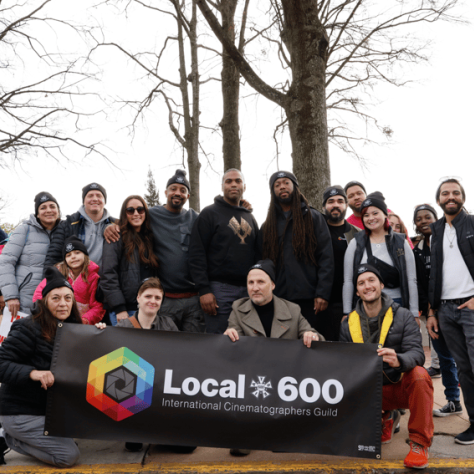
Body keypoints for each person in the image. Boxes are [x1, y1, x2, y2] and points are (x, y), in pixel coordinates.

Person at [224, 260, 324, 456]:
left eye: (260, 282)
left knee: (282, 446)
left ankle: (281, 429)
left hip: (284, 383)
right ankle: (247, 430)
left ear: (273, 285)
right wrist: (228, 335)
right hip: (253, 382)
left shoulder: (292, 310)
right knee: (239, 449)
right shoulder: (238, 307)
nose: (255, 288)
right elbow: (232, 334)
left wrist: (312, 336)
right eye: (250, 283)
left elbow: (316, 335)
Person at [340, 264, 433, 469]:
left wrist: (399, 359)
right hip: (366, 390)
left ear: (381, 284)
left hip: (396, 386)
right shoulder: (347, 324)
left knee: (419, 375)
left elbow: (417, 354)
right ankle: (386, 416)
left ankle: (419, 443)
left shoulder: (403, 316)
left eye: (371, 280)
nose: (367, 286)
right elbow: (344, 364)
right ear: (357, 291)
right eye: (361, 283)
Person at [96, 277, 195, 455]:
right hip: (133, 393)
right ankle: (137, 429)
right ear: (138, 298)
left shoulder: (168, 324)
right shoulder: (124, 326)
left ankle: (159, 433)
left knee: (188, 447)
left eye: (157, 298)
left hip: (161, 391)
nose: (153, 301)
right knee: (133, 445)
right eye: (148, 296)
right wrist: (101, 333)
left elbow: (181, 355)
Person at [104, 171, 205, 333]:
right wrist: (110, 226)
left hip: (191, 298)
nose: (177, 193)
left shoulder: (195, 217)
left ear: (188, 195)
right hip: (162, 300)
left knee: (190, 348)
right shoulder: (152, 214)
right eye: (173, 189)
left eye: (182, 190)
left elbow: (215, 222)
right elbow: (131, 218)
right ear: (165, 192)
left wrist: (238, 206)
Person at [0, 267, 82, 467]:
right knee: (68, 456)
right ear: (45, 301)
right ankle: (12, 438)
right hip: (20, 411)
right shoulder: (27, 327)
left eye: (67, 298)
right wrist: (33, 373)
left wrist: (100, 334)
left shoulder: (73, 330)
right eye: (55, 298)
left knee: (82, 431)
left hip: (48, 409)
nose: (62, 303)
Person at [427, 178, 474, 444]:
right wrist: (432, 312)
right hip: (445, 310)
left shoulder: (472, 223)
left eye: (456, 192)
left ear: (463, 197)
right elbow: (434, 275)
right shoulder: (436, 231)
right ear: (439, 200)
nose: (451, 196)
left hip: (470, 306)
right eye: (445, 193)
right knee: (464, 370)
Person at [259, 171, 334, 330]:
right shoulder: (268, 226)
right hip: (278, 298)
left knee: (310, 344)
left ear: (295, 186)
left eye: (286, 182)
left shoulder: (313, 217)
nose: (282, 187)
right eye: (277, 185)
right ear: (273, 192)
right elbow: (262, 263)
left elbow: (326, 257)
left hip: (309, 298)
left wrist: (322, 293)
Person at [189, 169, 259, 334]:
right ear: (222, 186)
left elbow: (258, 253)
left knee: (246, 338)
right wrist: (204, 289)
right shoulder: (209, 214)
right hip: (219, 291)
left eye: (238, 181)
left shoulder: (250, 217)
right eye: (228, 181)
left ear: (244, 186)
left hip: (248, 290)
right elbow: (196, 253)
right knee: (219, 340)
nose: (233, 184)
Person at [412, 204, 461, 416]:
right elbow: (420, 284)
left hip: (459, 307)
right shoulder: (417, 251)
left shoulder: (451, 239)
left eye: (428, 216)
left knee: (466, 358)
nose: (423, 221)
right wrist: (429, 311)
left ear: (436, 217)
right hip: (434, 313)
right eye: (419, 218)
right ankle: (453, 401)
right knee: (446, 357)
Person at [343, 192, 418, 318]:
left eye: (375, 213)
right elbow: (348, 280)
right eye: (366, 215)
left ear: (385, 214)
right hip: (365, 307)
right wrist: (346, 312)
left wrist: (414, 313)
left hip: (397, 305)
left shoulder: (401, 242)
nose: (371, 218)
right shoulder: (356, 243)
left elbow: (411, 280)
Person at [0, 192, 61, 317]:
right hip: (23, 302)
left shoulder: (64, 232)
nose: (48, 210)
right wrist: (11, 296)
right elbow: (5, 261)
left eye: (52, 206)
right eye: (43, 207)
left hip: (55, 301)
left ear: (58, 211)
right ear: (37, 213)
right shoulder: (24, 230)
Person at [100, 196, 159, 325]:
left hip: (147, 307)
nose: (136, 213)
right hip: (125, 309)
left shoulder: (150, 237)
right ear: (124, 213)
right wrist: (119, 307)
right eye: (130, 210)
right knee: (124, 346)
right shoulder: (116, 236)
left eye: (140, 209)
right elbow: (108, 274)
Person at [33, 236, 105, 325]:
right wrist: (43, 314)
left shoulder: (94, 277)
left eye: (77, 252)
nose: (73, 257)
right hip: (54, 320)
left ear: (85, 255)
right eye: (68, 255)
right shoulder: (57, 272)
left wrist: (83, 321)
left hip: (79, 325)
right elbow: (40, 293)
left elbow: (98, 307)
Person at [319, 185, 360, 340]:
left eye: (340, 201)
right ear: (324, 206)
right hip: (322, 302)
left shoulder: (357, 234)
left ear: (346, 205)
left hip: (350, 303)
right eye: (330, 201)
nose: (335, 205)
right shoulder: (317, 231)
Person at [44, 183, 115, 269]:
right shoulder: (67, 225)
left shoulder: (117, 225)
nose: (95, 199)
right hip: (75, 280)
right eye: (90, 196)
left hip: (107, 280)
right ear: (84, 201)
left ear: (105, 201)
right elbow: (53, 258)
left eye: (99, 196)